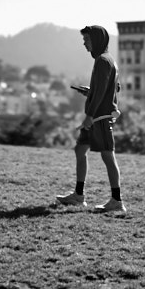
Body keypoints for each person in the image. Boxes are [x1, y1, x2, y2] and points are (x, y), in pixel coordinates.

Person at [56, 25, 126, 212]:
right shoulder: (107, 60)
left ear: (97, 40)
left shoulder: (103, 61)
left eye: (87, 39)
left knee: (108, 156)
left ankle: (117, 201)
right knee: (80, 150)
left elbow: (104, 91)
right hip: (97, 116)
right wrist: (91, 91)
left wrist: (89, 116)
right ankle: (78, 196)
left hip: (99, 118)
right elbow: (113, 88)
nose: (84, 43)